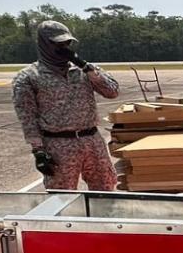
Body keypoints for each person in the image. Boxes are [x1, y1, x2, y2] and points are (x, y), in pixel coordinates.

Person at [12, 21, 119, 191]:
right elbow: (27, 116)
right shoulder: (29, 77)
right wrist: (38, 150)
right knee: (62, 194)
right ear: (45, 44)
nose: (64, 48)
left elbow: (112, 92)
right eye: (58, 44)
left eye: (67, 43)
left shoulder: (84, 70)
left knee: (105, 189)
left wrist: (86, 67)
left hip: (91, 139)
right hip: (58, 145)